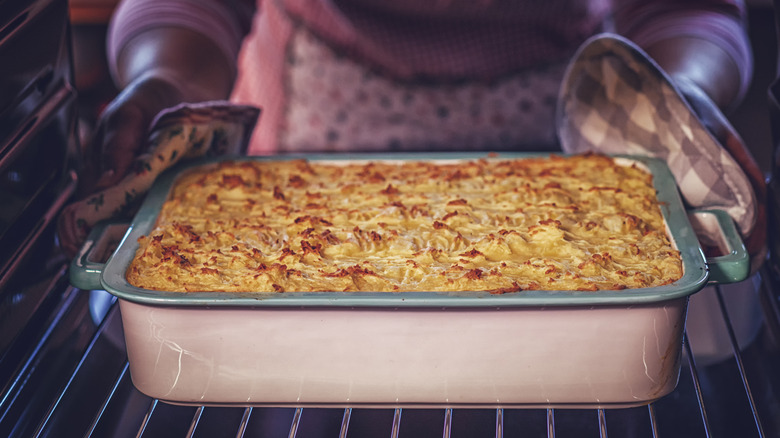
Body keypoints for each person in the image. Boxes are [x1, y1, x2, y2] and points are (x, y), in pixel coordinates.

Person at [72, 0, 765, 260]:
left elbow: (687, 6)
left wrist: (682, 93)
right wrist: (168, 83)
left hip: (562, 116)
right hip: (310, 144)